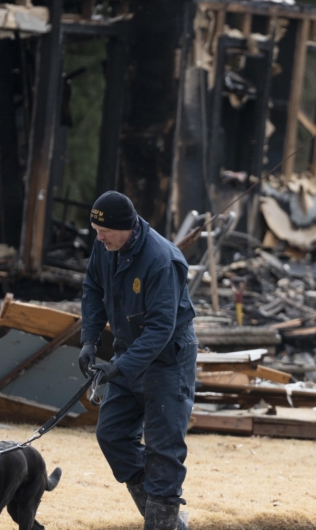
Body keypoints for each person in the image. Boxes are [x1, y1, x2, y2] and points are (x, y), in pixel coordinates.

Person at [78, 191, 197, 530]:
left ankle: (162, 523)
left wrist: (120, 368)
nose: (98, 238)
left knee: (163, 451)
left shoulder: (162, 260)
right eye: (95, 231)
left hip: (167, 360)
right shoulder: (107, 246)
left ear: (127, 228)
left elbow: (161, 329)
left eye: (104, 232)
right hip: (129, 351)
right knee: (112, 434)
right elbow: (92, 287)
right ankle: (173, 524)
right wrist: (89, 340)